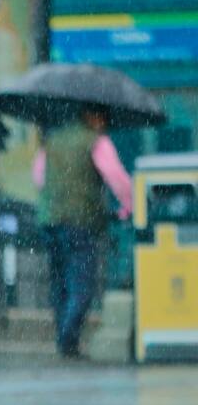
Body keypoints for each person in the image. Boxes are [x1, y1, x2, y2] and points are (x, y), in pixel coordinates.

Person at [33, 107, 133, 358]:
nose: (106, 123)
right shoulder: (97, 142)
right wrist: (130, 205)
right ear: (95, 117)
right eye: (104, 118)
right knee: (82, 285)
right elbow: (116, 177)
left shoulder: (53, 140)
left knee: (60, 283)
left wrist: (55, 200)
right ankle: (68, 337)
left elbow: (38, 177)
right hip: (80, 221)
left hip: (51, 220)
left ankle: (65, 339)